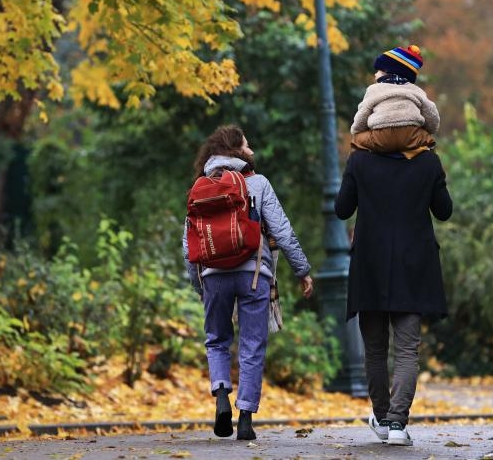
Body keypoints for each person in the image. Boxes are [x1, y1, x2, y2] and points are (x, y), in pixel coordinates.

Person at [183, 124, 314, 441]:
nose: (252, 151)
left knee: (216, 339)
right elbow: (281, 231)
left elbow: (189, 246)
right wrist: (303, 270)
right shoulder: (258, 183)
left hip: (213, 276)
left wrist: (199, 284)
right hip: (254, 273)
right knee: (252, 345)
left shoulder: (201, 186)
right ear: (236, 151)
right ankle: (245, 419)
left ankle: (221, 397)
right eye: (247, 145)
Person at [334, 143, 453, 446]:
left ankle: (383, 418)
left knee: (374, 349)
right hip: (413, 267)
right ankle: (399, 423)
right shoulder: (427, 161)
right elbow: (444, 210)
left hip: (370, 265)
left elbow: (342, 208)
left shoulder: (360, 160)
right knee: (406, 350)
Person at [350, 44, 440, 159]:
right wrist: (429, 130)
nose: (375, 74)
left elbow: (363, 114)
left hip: (381, 137)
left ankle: (358, 166)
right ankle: (424, 161)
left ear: (388, 72)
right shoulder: (417, 91)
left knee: (357, 140)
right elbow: (432, 115)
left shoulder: (374, 90)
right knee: (430, 141)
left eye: (378, 70)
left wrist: (357, 130)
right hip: (410, 134)